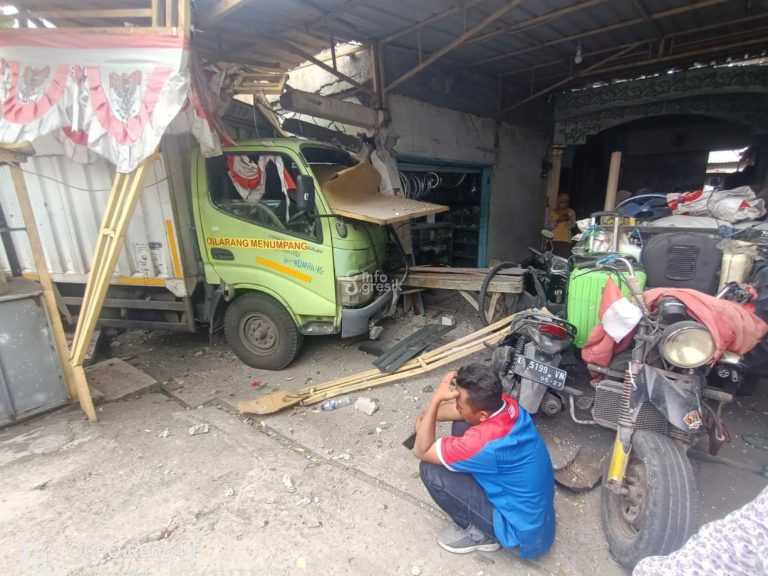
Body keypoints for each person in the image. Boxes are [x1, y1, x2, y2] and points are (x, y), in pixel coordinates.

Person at [412, 364, 556, 559]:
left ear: (483, 416)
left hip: (518, 530)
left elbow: (422, 450)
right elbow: (461, 414)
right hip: (535, 518)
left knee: (431, 470)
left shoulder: (481, 444)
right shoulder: (506, 404)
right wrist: (425, 416)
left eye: (459, 403)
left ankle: (480, 536)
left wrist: (435, 401)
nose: (456, 407)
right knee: (463, 422)